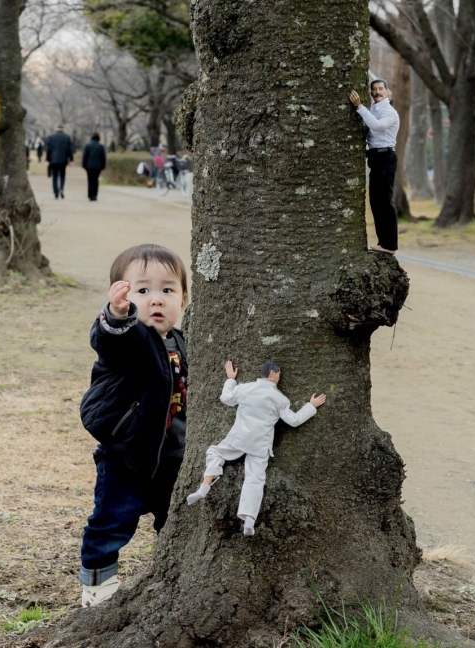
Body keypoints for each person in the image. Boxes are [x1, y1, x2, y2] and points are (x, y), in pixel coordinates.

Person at [79, 244, 189, 607]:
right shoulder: (132, 337)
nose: (156, 300)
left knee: (175, 522)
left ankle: (173, 574)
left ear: (183, 299)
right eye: (142, 291)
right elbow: (108, 339)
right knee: (110, 523)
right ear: (124, 295)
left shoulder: (181, 342)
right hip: (126, 456)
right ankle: (97, 587)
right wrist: (117, 315)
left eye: (167, 290)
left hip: (173, 457)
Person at [187, 360, 326, 536]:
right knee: (255, 478)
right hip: (260, 443)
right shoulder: (280, 399)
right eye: (279, 374)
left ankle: (206, 484)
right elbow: (294, 420)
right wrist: (310, 406)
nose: (279, 377)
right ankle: (249, 519)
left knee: (215, 452)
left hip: (239, 438)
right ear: (272, 374)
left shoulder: (245, 388)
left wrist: (231, 380)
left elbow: (226, 398)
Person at [349, 79, 400, 255]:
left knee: (385, 201)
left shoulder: (389, 112)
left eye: (380, 89)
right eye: (374, 89)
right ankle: (383, 242)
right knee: (376, 202)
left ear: (387, 91)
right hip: (376, 157)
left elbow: (378, 127)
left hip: (386, 157)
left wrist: (359, 107)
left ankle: (390, 245)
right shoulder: (373, 110)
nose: (377, 92)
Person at [46, 124, 73, 199]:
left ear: (56, 128)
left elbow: (48, 149)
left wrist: (48, 160)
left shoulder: (51, 137)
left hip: (53, 160)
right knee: (62, 176)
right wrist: (71, 160)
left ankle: (56, 193)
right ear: (63, 129)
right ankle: (61, 188)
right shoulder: (67, 137)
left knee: (54, 177)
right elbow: (69, 150)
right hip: (63, 160)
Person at [82, 132, 107, 201]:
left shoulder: (87, 145)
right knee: (96, 180)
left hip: (89, 166)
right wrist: (103, 166)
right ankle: (95, 195)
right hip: (98, 166)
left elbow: (85, 156)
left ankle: (90, 195)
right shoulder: (101, 146)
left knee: (90, 180)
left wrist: (84, 165)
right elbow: (103, 157)